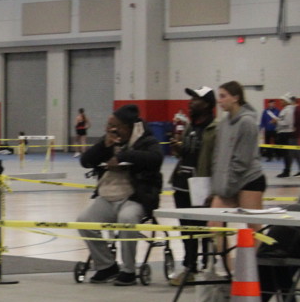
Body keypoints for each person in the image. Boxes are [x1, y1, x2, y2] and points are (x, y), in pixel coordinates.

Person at [77, 104, 163, 286]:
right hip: (108, 195)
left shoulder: (147, 140)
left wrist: (124, 156)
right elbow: (85, 161)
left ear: (128, 127)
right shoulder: (109, 140)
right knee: (83, 221)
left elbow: (156, 159)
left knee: (127, 219)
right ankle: (106, 265)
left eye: (115, 126)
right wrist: (104, 146)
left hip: (136, 197)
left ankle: (129, 270)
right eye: (109, 126)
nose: (111, 130)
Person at [168, 87, 218, 286]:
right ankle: (189, 267)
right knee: (186, 229)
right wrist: (179, 149)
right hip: (182, 183)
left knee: (204, 229)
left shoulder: (215, 128)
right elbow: (189, 152)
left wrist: (215, 189)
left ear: (207, 104)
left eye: (196, 99)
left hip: (202, 185)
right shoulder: (190, 126)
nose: (191, 103)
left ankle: (207, 266)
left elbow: (216, 159)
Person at [210, 81, 266, 214]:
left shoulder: (247, 123)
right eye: (219, 96)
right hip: (228, 183)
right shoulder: (222, 124)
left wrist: (228, 186)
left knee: (253, 223)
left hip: (249, 180)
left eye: (223, 96)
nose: (219, 101)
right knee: (214, 222)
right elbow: (217, 155)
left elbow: (242, 160)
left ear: (236, 98)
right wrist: (218, 185)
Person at [274, 94, 296, 177]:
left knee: (287, 153)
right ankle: (286, 170)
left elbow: (287, 122)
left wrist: (277, 121)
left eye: (282, 100)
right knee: (285, 153)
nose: (280, 102)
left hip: (286, 133)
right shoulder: (284, 110)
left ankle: (287, 171)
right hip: (282, 133)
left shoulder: (289, 110)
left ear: (286, 101)